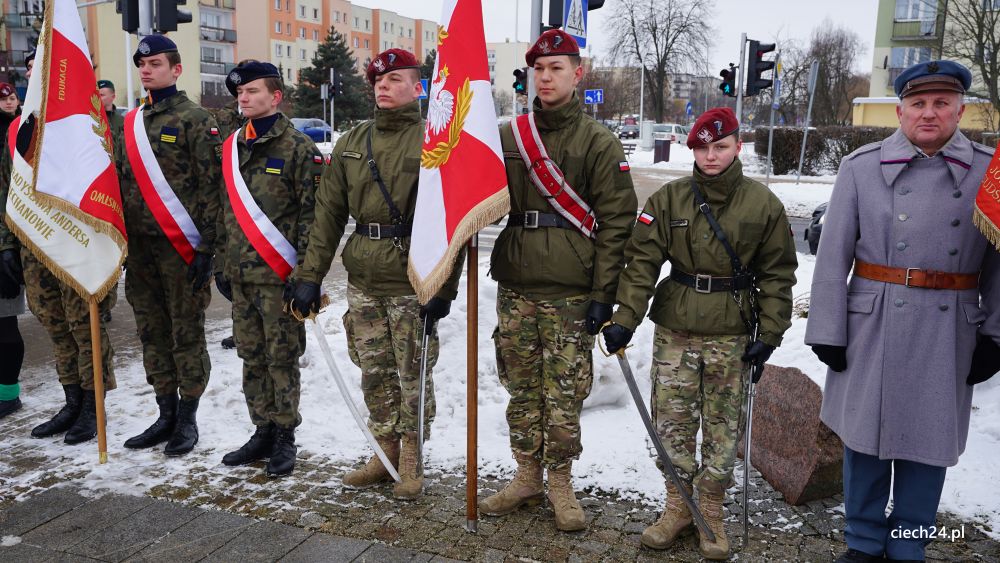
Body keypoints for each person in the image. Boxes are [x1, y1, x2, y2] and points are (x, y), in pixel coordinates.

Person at [805, 60, 1000, 563]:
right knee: (863, 441)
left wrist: (996, 334)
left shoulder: (991, 172)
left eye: (941, 103)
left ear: (960, 110)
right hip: (872, 322)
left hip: (949, 326)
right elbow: (833, 256)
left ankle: (910, 542)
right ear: (900, 111)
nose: (929, 113)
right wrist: (827, 328)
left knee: (928, 446)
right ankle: (863, 543)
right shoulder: (860, 167)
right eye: (918, 103)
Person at [602, 106, 797, 558]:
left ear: (737, 147)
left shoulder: (763, 204)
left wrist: (770, 333)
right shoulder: (669, 199)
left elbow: (777, 275)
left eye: (721, 147)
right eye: (703, 148)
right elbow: (642, 264)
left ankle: (710, 509)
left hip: (732, 332)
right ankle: (677, 505)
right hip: (677, 329)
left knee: (723, 428)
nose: (711, 156)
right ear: (692, 150)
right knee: (672, 422)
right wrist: (625, 318)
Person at [482, 29, 637, 532]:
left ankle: (561, 482)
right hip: (517, 286)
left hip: (571, 293)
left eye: (556, 69)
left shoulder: (598, 142)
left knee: (565, 393)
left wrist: (604, 295)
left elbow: (617, 225)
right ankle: (527, 476)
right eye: (538, 70)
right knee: (521, 387)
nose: (545, 78)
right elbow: (478, 199)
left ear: (577, 73)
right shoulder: (509, 137)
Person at [290, 48, 460, 500]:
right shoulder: (352, 141)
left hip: (413, 280)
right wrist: (310, 276)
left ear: (418, 88)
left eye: (395, 79)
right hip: (363, 278)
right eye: (378, 81)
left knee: (413, 374)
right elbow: (328, 214)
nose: (383, 86)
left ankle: (411, 457)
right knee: (373, 371)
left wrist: (444, 287)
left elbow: (455, 220)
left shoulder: (435, 141)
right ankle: (384, 451)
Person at [115, 35, 223, 457]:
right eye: (142, 64)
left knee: (185, 332)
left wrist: (207, 249)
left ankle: (188, 417)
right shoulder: (130, 122)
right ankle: (165, 413)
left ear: (176, 69)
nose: (146, 70)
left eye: (155, 63)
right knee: (151, 331)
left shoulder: (196, 119)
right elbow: (119, 180)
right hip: (140, 249)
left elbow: (212, 188)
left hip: (182, 249)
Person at [0, 50, 116, 440]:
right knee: (55, 326)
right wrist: (7, 245)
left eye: (41, 69)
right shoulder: (17, 128)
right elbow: (7, 188)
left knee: (85, 328)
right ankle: (72, 401)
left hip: (77, 242)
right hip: (35, 245)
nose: (34, 75)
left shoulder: (83, 124)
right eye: (30, 70)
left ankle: (93, 406)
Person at [214, 61, 322, 477]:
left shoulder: (298, 148)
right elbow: (225, 211)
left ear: (275, 97)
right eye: (240, 92)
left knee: (281, 358)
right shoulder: (232, 146)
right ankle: (261, 430)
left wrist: (306, 277)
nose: (243, 98)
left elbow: (313, 218)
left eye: (253, 91)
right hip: (241, 277)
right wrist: (222, 263)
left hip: (280, 279)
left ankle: (284, 436)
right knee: (251, 356)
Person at [0, 80, 23, 419]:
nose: (7, 101)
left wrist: (8, 246)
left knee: (4, 323)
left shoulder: (21, 131)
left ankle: (9, 393)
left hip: (6, 237)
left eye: (12, 96)